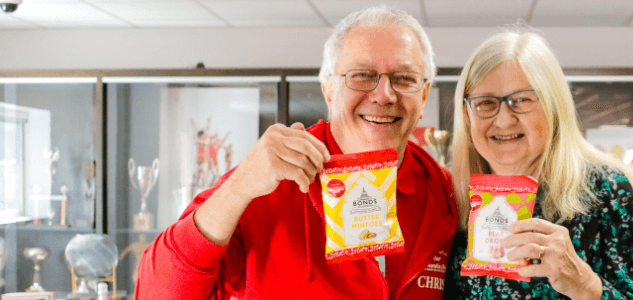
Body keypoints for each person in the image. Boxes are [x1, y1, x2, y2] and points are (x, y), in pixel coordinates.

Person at [135, 6, 458, 299]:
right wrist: (239, 187)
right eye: (363, 75)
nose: (384, 94)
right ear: (329, 88)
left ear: (425, 94)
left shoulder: (444, 194)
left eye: (404, 78)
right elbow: (156, 292)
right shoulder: (265, 182)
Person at [442, 29, 633, 299]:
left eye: (522, 100)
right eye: (486, 103)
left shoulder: (604, 191)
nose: (503, 120)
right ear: (467, 116)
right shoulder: (452, 199)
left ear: (554, 105)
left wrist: (584, 284)